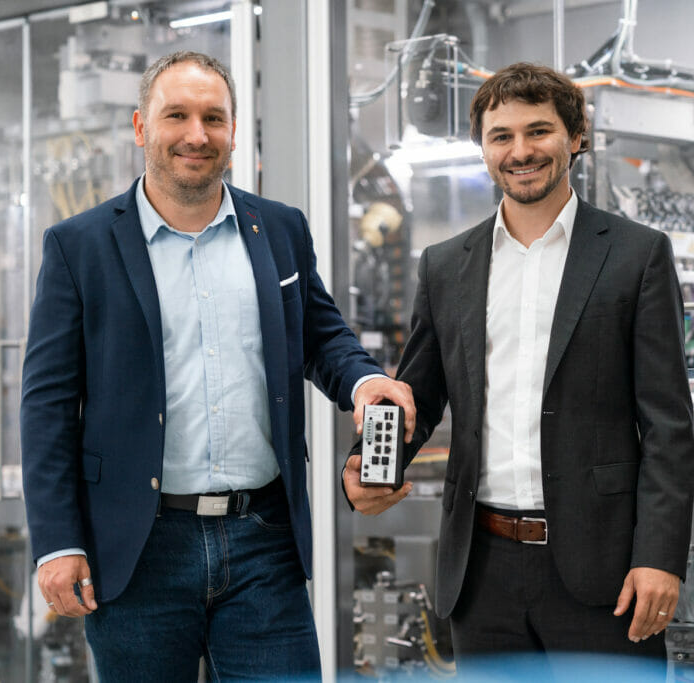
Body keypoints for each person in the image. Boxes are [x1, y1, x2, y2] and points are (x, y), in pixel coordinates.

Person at [21, 51, 414, 682]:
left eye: (213, 118)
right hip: (137, 545)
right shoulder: (79, 246)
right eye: (176, 115)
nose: (196, 135)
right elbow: (47, 406)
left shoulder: (280, 229)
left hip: (263, 540)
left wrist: (366, 382)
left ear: (233, 130)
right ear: (141, 126)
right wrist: (58, 542)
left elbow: (321, 336)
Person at [344, 62, 694, 675]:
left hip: (604, 566)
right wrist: (369, 468)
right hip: (481, 571)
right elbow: (417, 395)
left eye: (539, 131)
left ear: (576, 137)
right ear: (483, 148)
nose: (520, 151)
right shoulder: (445, 265)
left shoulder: (636, 255)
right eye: (501, 136)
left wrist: (660, 557)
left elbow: (667, 424)